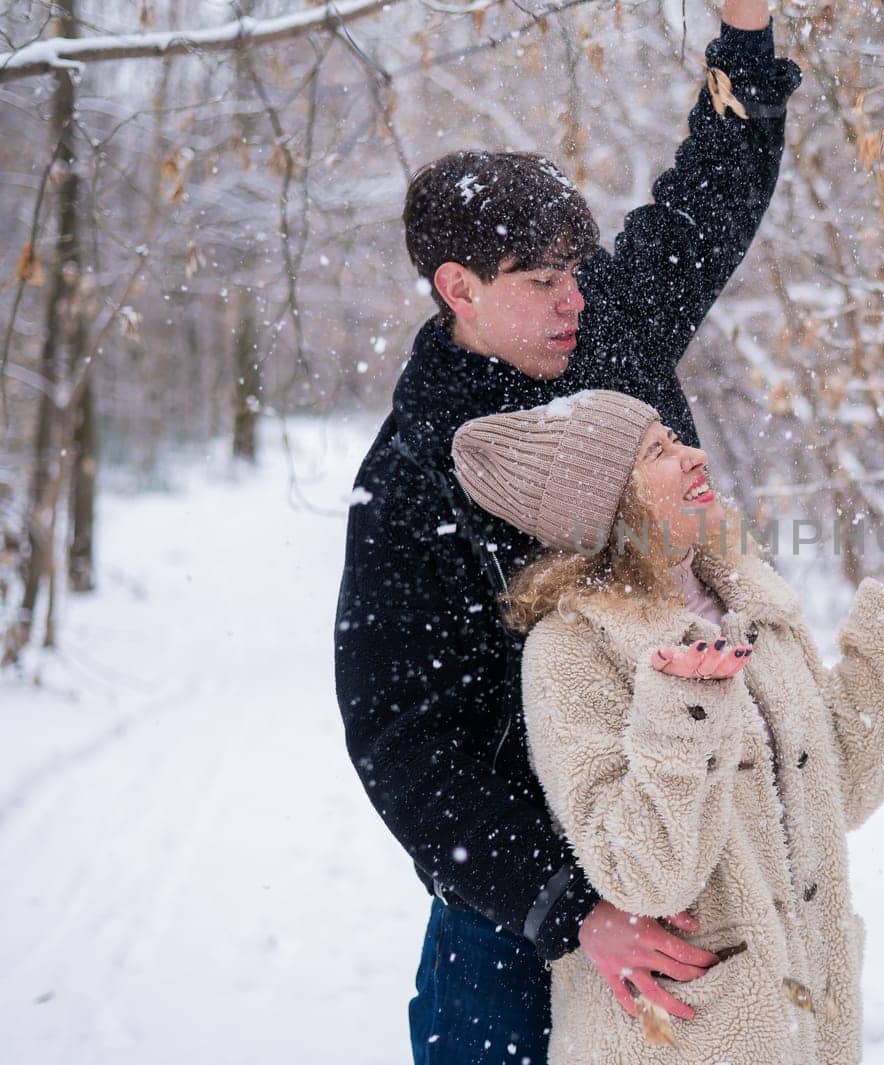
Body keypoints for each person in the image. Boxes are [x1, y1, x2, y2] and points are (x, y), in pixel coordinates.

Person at [332, 4, 800, 1062]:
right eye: (541, 283)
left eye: (575, 272)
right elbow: (403, 743)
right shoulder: (413, 479)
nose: (573, 301)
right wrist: (570, 906)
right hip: (519, 909)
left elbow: (713, 193)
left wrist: (744, 34)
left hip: (689, 844)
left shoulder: (608, 329)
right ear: (458, 288)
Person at [449, 390, 884, 1064]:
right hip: (679, 1041)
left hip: (803, 1033)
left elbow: (833, 791)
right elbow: (644, 876)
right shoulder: (574, 652)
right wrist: (680, 712)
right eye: (659, 452)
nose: (695, 454)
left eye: (676, 438)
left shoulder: (749, 597)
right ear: (608, 501)